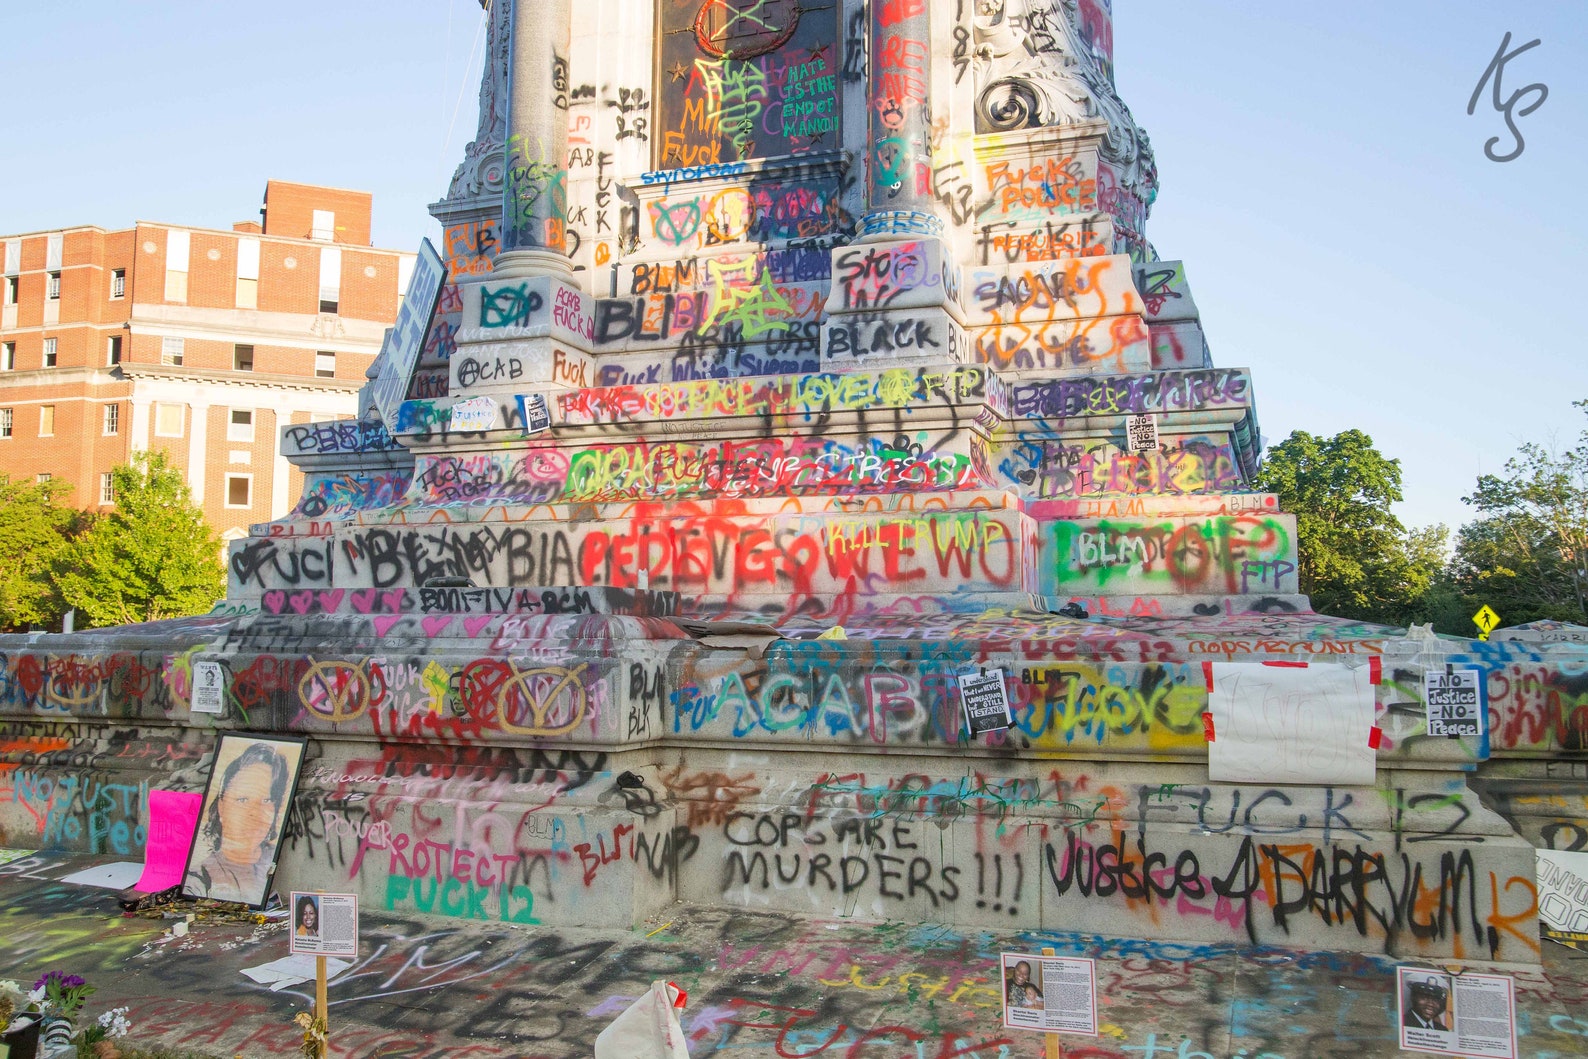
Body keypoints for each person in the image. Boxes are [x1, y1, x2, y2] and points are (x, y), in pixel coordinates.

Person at [184, 741, 291, 905]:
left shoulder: (274, 858)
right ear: (221, 807)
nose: (254, 813)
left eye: (266, 800)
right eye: (242, 800)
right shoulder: (199, 881)